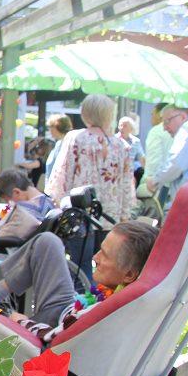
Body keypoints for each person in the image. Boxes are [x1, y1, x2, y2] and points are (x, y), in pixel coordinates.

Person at [0, 221, 159, 345]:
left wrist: (19, 319)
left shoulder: (101, 312)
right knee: (48, 241)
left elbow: (51, 338)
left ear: (128, 275)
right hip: (69, 307)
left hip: (51, 325)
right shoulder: (134, 298)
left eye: (104, 255)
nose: (95, 257)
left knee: (46, 241)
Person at [46, 94, 136, 282]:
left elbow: (62, 174)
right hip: (110, 217)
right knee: (106, 268)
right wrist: (124, 216)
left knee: (80, 267)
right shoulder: (122, 146)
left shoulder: (75, 138)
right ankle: (100, 304)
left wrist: (57, 202)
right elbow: (128, 186)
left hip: (79, 214)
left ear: (86, 113)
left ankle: (82, 306)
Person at [0, 169, 54, 249]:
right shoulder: (51, 203)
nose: (9, 203)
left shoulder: (20, 211)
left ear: (16, 192)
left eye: (7, 199)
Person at [137, 104, 174, 199]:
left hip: (156, 188)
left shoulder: (156, 131)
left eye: (152, 114)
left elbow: (153, 164)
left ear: (160, 114)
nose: (151, 118)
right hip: (172, 188)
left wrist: (149, 181)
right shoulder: (179, 130)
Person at [117, 116, 145, 185]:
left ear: (131, 129)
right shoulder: (113, 140)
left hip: (130, 175)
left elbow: (142, 159)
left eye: (125, 126)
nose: (121, 128)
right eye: (120, 125)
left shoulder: (136, 142)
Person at [44, 114, 72, 182]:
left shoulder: (66, 143)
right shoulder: (59, 143)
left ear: (57, 126)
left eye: (51, 127)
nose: (49, 130)